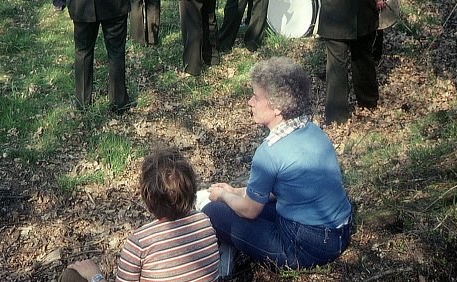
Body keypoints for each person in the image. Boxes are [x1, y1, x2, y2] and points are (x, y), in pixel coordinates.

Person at [202, 57, 352, 270]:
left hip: (304, 245)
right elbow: (284, 188)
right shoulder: (312, 129)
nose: (250, 102)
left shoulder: (269, 152)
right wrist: (235, 191)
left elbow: (250, 210)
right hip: (340, 231)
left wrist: (224, 196)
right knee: (242, 204)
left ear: (277, 107)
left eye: (256, 97)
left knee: (214, 211)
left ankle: (219, 261)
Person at [60, 148, 219, 282]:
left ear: (147, 197)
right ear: (191, 189)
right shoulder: (204, 222)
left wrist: (94, 276)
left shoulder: (140, 243)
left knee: (71, 275)